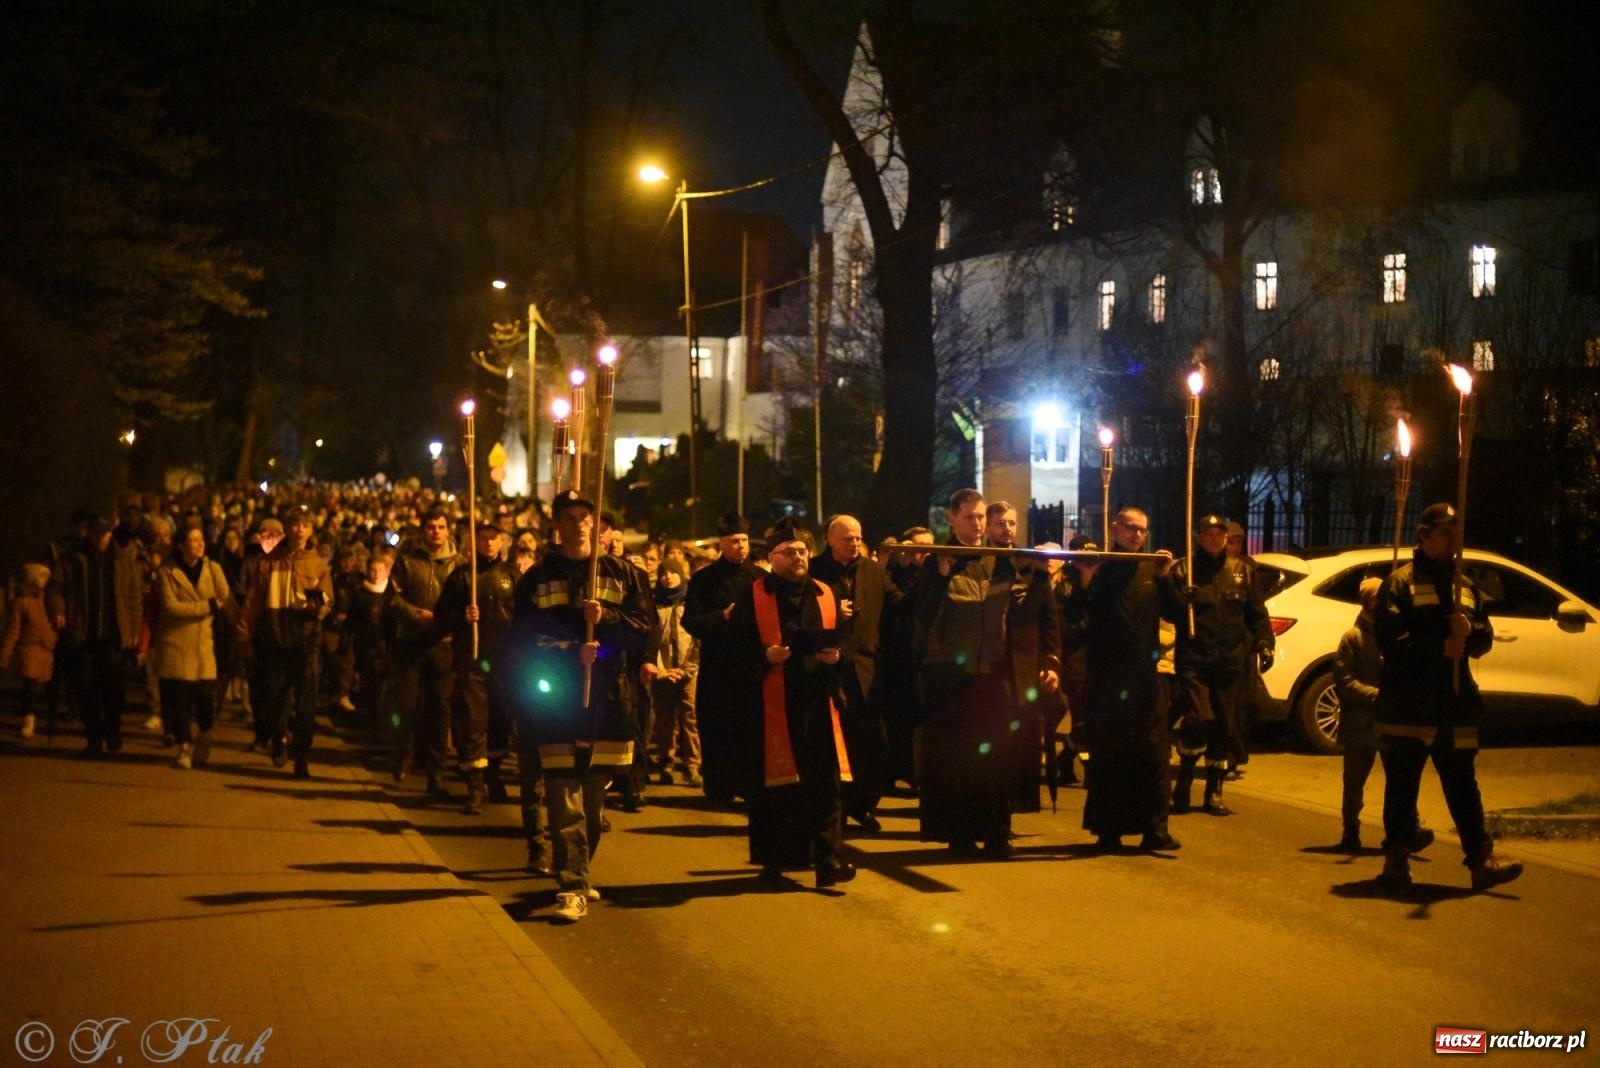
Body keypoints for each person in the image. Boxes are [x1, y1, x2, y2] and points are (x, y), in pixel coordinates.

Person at [503, 491, 653, 922]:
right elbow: (524, 639)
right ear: (557, 525)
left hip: (607, 701)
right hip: (556, 700)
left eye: (586, 517)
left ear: (596, 523)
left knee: (591, 804)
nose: (578, 524)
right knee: (563, 796)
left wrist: (605, 622)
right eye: (569, 517)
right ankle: (571, 885)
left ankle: (580, 870)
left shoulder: (624, 575)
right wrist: (571, 654)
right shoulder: (536, 578)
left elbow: (643, 630)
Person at [1374, 502, 1521, 891]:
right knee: (1403, 784)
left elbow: (1484, 639)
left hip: (1454, 702)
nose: (1452, 541)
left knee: (1462, 781)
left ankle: (1481, 859)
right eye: (1444, 533)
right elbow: (1390, 639)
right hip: (1409, 702)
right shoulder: (1400, 583)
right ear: (1423, 536)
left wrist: (1469, 631)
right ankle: (1397, 858)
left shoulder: (1466, 588)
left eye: (1456, 533)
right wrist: (1439, 646)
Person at [916, 490, 1049, 857]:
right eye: (970, 517)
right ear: (952, 519)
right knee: (956, 758)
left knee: (995, 756)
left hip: (992, 673)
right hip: (950, 675)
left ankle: (996, 832)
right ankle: (959, 834)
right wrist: (941, 576)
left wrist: (1041, 576)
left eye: (980, 517)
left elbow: (1022, 613)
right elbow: (922, 616)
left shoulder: (1001, 560)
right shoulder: (938, 561)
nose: (977, 524)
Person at [728, 517, 856, 888]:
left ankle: (829, 862)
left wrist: (838, 656)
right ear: (772, 558)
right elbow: (732, 649)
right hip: (772, 702)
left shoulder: (825, 592)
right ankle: (776, 860)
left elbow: (844, 640)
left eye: (803, 551)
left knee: (825, 784)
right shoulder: (753, 595)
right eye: (789, 552)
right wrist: (764, 656)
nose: (798, 557)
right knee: (777, 787)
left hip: (818, 700)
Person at [1080, 507, 1183, 852]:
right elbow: (1079, 616)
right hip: (1108, 680)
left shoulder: (1152, 568)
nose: (1137, 535)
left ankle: (1155, 828)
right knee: (1111, 754)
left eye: (1142, 530)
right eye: (1130, 528)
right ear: (1115, 528)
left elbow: (1178, 613)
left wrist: (1166, 577)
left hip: (1145, 679)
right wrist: (1086, 580)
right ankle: (1109, 830)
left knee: (1153, 753)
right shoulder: (1101, 566)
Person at [1168, 514, 1274, 818]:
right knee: (1198, 717)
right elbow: (1168, 610)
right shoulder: (1185, 571)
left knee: (1222, 725)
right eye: (1208, 533)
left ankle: (1214, 791)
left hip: (1229, 662)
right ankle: (1185, 779)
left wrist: (1265, 642)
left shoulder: (1241, 571)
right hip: (1195, 660)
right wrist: (1180, 599)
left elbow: (1256, 613)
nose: (1214, 538)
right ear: (1198, 537)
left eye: (1219, 534)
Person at [810, 514, 903, 833]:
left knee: (873, 747)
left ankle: (862, 805)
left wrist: (925, 573)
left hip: (865, 673)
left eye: (858, 537)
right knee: (831, 747)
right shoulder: (812, 572)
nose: (854, 542)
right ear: (829, 539)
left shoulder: (873, 571)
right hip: (826, 671)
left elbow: (900, 607)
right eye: (847, 537)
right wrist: (833, 612)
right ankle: (830, 811)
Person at [240, 509, 333, 779]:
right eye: (294, 524)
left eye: (305, 525)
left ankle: (301, 755)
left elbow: (328, 600)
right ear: (287, 529)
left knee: (306, 705)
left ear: (311, 530)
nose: (299, 530)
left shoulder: (318, 564)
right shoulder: (269, 563)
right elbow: (254, 601)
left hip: (306, 641)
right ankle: (279, 738)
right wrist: (245, 633)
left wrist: (320, 609)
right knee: (276, 698)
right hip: (276, 638)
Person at [434, 523, 519, 814]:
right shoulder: (461, 578)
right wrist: (462, 615)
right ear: (475, 541)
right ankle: (474, 785)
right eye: (483, 538)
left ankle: (493, 774)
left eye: (494, 538)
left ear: (502, 541)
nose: (489, 543)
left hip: (504, 661)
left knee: (500, 719)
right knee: (472, 720)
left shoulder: (512, 577)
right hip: (471, 660)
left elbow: (523, 618)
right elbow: (440, 617)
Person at [682, 511, 764, 803]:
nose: (740, 546)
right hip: (717, 666)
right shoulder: (704, 579)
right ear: (721, 544)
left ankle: (749, 785)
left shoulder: (761, 579)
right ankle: (719, 787)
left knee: (749, 728)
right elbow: (690, 620)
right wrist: (722, 617)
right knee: (717, 727)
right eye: (734, 541)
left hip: (751, 667)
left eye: (743, 540)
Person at [389, 508, 464, 791]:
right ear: (423, 530)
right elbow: (393, 599)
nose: (436, 531)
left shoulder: (458, 564)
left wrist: (445, 621)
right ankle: (404, 752)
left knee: (440, 708)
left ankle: (436, 771)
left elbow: (463, 602)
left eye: (441, 527)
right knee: (407, 704)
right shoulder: (407, 561)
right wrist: (414, 614)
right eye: (431, 526)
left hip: (443, 643)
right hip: (411, 640)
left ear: (448, 530)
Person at [151, 526, 230, 769]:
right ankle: (183, 747)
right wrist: (206, 607)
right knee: (180, 701)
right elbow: (170, 607)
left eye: (200, 539)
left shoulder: (213, 568)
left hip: (204, 643)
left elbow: (223, 595)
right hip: (177, 643)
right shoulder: (167, 571)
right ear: (182, 545)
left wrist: (210, 606)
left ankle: (205, 733)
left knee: (207, 698)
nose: (199, 544)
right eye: (193, 540)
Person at [1332, 577, 1383, 851]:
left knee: (1399, 780)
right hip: (1360, 722)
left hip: (1389, 720)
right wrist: (1374, 695)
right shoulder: (1353, 638)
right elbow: (1344, 679)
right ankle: (1351, 828)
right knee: (1354, 781)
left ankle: (1403, 830)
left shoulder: (1393, 634)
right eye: (1377, 597)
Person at [649, 556, 701, 787]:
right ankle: (665, 762)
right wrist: (661, 669)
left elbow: (697, 639)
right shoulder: (654, 603)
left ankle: (692, 764)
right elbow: (651, 639)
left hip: (689, 672)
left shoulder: (691, 601)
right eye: (664, 573)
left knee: (690, 717)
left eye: (672, 572)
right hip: (663, 671)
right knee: (665, 719)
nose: (668, 577)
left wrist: (687, 669)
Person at [2, 563, 58, 739]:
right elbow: (14, 630)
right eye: (42, 576)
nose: (45, 580)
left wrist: (53, 636)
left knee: (50, 687)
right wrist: (6, 652)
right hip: (29, 648)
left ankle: (50, 720)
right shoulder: (21, 603)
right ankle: (29, 719)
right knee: (29, 686)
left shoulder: (47, 600)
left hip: (46, 648)